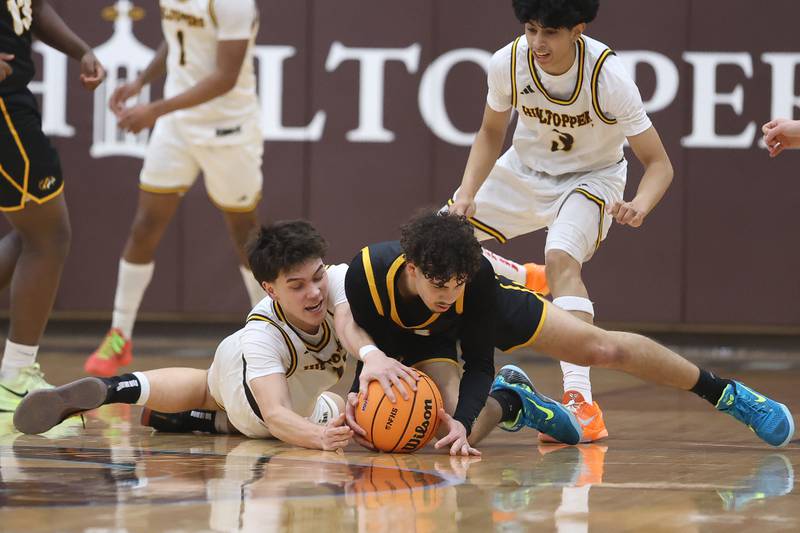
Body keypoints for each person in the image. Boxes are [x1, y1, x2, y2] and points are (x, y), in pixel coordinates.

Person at [344, 213, 794, 455]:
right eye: (439, 285)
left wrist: (462, 417)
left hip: (491, 313)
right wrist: (362, 391)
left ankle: (728, 395)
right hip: (412, 344)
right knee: (430, 430)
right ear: (413, 268)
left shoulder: (472, 284)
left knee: (602, 346)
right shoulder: (365, 273)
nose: (449, 293)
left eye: (458, 282)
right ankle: (514, 403)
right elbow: (360, 334)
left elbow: (480, 362)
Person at [447, 0, 674, 443]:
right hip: (523, 170)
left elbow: (659, 163)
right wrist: (467, 193)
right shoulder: (508, 61)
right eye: (531, 30)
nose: (537, 43)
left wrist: (641, 203)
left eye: (549, 33)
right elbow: (491, 131)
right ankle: (517, 275)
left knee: (562, 260)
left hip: (593, 178)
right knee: (438, 243)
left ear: (577, 30)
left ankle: (581, 402)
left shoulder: (607, 76)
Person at [15, 221, 418, 451]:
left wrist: (371, 353)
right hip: (257, 397)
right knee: (307, 412)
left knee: (207, 387)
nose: (314, 292)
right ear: (270, 289)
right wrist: (320, 438)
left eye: (316, 277)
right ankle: (207, 423)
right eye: (297, 286)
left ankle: (112, 388)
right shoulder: (264, 334)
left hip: (235, 366)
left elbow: (347, 322)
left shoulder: (337, 279)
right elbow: (275, 416)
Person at [84, 0, 268, 377]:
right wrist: (141, 82)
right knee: (145, 224)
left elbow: (225, 76)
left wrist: (154, 110)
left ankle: (272, 332)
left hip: (229, 128)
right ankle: (119, 335)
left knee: (244, 233)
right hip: (177, 126)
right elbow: (179, 37)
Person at [0, 0, 105, 412]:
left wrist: (81, 49)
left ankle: (15, 375)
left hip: (13, 97)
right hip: (5, 104)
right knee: (49, 237)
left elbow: (33, 6)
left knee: (34, 236)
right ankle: (15, 382)